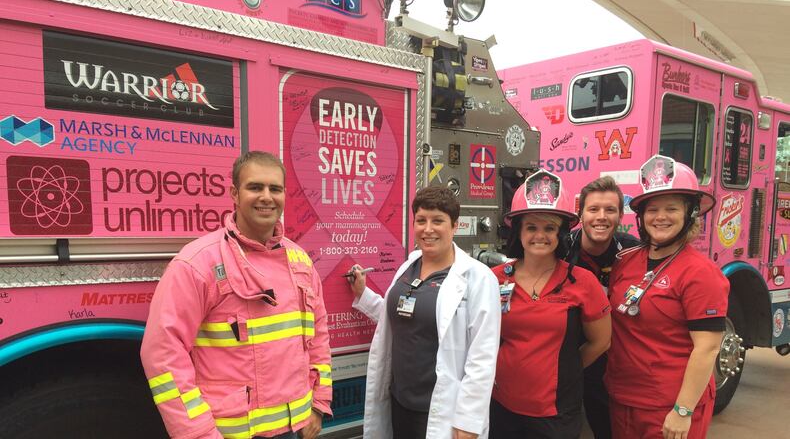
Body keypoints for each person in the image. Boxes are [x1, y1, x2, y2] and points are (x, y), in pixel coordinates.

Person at [141, 151, 331, 439]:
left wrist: (317, 403)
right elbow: (162, 354)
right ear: (234, 193)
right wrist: (198, 433)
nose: (266, 197)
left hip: (295, 428)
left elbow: (318, 336)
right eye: (255, 187)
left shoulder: (300, 261)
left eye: (275, 189)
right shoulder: (198, 263)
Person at [347, 186, 500, 439]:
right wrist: (363, 295)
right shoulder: (409, 266)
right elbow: (396, 316)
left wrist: (469, 421)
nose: (428, 229)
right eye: (421, 220)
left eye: (437, 220)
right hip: (399, 401)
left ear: (454, 225)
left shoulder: (478, 278)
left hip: (440, 410)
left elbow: (482, 356)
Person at [606, 155, 727, 439]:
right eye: (653, 209)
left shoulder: (701, 273)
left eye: (671, 208)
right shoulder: (625, 261)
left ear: (690, 215)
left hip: (670, 406)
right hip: (623, 397)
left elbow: (707, 348)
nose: (660, 217)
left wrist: (683, 410)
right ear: (641, 216)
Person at [490, 170, 611, 439]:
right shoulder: (495, 278)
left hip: (557, 416)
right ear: (518, 232)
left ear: (561, 233)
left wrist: (567, 370)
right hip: (501, 407)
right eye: (531, 227)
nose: (539, 235)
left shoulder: (583, 282)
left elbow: (601, 341)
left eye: (549, 228)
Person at [563, 176, 640, 439]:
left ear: (620, 215)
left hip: (611, 357)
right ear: (580, 214)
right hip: (567, 353)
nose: (601, 217)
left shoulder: (633, 253)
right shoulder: (560, 248)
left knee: (607, 426)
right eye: (593, 209)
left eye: (610, 210)